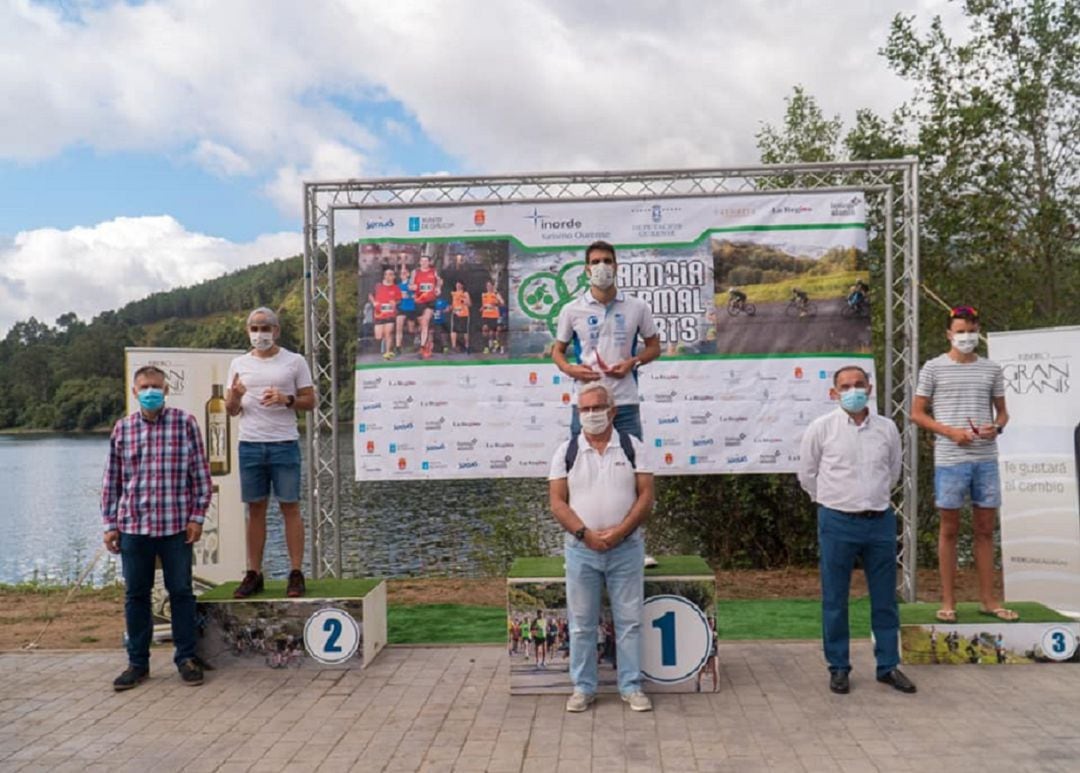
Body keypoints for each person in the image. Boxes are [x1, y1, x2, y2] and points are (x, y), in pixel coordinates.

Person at [797, 365, 916, 695]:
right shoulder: (821, 428)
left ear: (870, 388)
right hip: (837, 521)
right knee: (835, 598)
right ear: (833, 393)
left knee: (884, 599)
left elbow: (892, 471)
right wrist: (831, 502)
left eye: (859, 385)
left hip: (879, 520)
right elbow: (807, 474)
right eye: (845, 386)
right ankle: (838, 667)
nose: (853, 391)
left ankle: (888, 666)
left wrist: (871, 498)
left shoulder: (887, 428)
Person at [102, 365, 212, 691]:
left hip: (176, 525)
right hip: (134, 526)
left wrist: (197, 517)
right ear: (135, 392)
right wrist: (110, 525)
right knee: (136, 595)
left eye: (157, 386)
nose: (151, 391)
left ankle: (186, 658)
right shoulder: (122, 430)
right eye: (145, 386)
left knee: (181, 593)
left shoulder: (185, 424)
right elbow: (112, 482)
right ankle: (138, 663)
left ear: (166, 390)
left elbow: (201, 477)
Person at [549, 382, 655, 712]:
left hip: (626, 549)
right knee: (581, 624)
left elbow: (646, 497)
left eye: (597, 408)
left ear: (613, 411)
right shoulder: (565, 451)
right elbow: (556, 503)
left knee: (630, 622)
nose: (591, 415)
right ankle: (583, 688)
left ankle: (631, 686)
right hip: (581, 550)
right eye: (585, 409)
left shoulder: (633, 446)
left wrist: (621, 532)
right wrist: (585, 535)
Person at [911, 305, 1015, 623]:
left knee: (985, 530)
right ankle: (948, 602)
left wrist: (994, 428)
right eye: (960, 331)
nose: (966, 336)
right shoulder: (932, 368)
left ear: (977, 332)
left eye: (971, 331)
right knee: (949, 530)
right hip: (950, 459)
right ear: (949, 334)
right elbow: (917, 413)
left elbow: (1003, 414)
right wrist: (950, 432)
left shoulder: (991, 369)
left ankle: (988, 600)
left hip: (985, 458)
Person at [226, 307, 315, 599]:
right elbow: (230, 410)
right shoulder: (238, 363)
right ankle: (254, 573)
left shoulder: (294, 360)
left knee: (290, 506)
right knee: (255, 509)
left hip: (284, 443)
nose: (259, 333)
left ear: (276, 331)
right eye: (254, 328)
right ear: (247, 331)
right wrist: (235, 396)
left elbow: (310, 400)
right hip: (250, 444)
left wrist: (286, 399)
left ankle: (296, 572)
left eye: (265, 328)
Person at [552, 241, 661, 441]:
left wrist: (632, 362)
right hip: (587, 401)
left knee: (631, 462)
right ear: (587, 269)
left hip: (624, 401)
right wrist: (569, 369)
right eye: (595, 262)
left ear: (616, 266)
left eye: (607, 261)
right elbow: (557, 351)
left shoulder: (638, 306)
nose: (601, 266)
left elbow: (654, 347)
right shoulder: (571, 309)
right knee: (580, 462)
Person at [409, 254, 442, 359]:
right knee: (421, 325)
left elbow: (440, 281)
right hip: (419, 301)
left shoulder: (433, 271)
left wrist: (438, 288)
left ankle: (423, 347)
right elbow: (410, 285)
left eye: (426, 261)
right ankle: (425, 344)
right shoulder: (415, 272)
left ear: (429, 262)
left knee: (425, 322)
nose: (424, 263)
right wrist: (412, 287)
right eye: (422, 261)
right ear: (419, 262)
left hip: (430, 301)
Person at [369, 267, 402, 360]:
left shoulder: (396, 288)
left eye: (390, 274)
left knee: (388, 333)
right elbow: (370, 295)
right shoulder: (378, 286)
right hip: (379, 313)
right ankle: (386, 345)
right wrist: (374, 302)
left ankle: (388, 352)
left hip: (390, 314)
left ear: (394, 277)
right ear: (384, 276)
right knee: (379, 336)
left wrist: (395, 303)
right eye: (386, 274)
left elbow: (399, 300)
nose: (388, 276)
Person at [395, 264, 419, 353]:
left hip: (411, 308)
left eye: (405, 273)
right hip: (402, 308)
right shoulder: (398, 286)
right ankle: (398, 347)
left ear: (408, 274)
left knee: (411, 329)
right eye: (401, 273)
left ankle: (418, 334)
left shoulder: (412, 283)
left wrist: (408, 295)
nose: (403, 274)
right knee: (399, 326)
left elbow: (417, 295)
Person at [480, 279, 504, 354]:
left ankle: (498, 345)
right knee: (484, 329)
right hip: (486, 315)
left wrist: (496, 304)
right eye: (487, 286)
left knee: (494, 333)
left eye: (490, 286)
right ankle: (486, 347)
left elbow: (502, 303)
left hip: (494, 316)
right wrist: (482, 308)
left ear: (493, 286)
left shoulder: (496, 294)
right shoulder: (484, 294)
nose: (488, 287)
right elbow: (484, 305)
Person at [450, 281, 472, 353]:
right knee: (454, 330)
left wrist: (464, 301)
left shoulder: (465, 293)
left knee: (465, 331)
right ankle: (453, 347)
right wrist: (452, 308)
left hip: (464, 313)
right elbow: (452, 304)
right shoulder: (453, 293)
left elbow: (469, 304)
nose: (458, 286)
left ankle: (467, 346)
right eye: (457, 285)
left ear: (462, 286)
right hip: (456, 313)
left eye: (459, 285)